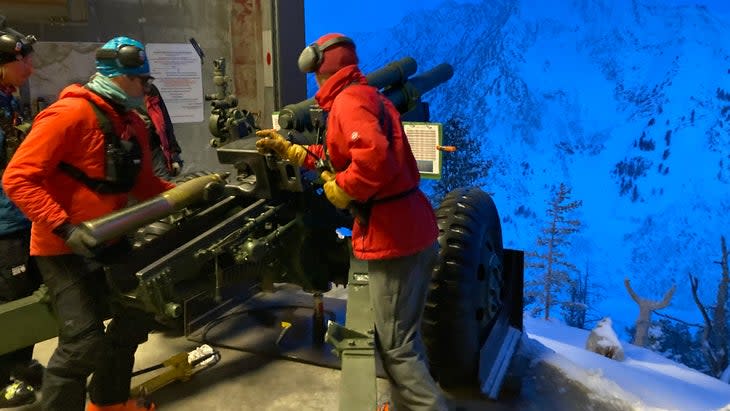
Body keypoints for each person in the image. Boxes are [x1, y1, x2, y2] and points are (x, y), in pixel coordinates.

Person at [256, 33, 448, 411]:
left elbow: (373, 159)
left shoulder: (348, 102)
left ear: (318, 69)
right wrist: (291, 150)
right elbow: (337, 153)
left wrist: (342, 189)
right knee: (404, 340)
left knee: (397, 349)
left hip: (395, 239)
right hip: (409, 230)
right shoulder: (362, 96)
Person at [2, 36, 175, 411]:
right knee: (83, 341)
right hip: (62, 247)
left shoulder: (132, 123)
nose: (146, 88)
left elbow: (146, 184)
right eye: (141, 81)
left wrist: (190, 193)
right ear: (118, 78)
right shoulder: (67, 115)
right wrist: (64, 227)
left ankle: (108, 401)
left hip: (110, 238)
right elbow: (17, 178)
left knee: (137, 312)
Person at [0, 28, 45, 409]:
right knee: (8, 301)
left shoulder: (9, 101)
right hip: (3, 225)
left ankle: (21, 366)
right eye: (23, 61)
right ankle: (3, 380)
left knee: (27, 293)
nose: (30, 67)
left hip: (18, 216)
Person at [139, 82, 183, 179]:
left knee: (165, 188)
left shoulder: (150, 89)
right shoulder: (113, 93)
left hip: (153, 150)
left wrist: (174, 153)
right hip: (132, 153)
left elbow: (164, 122)